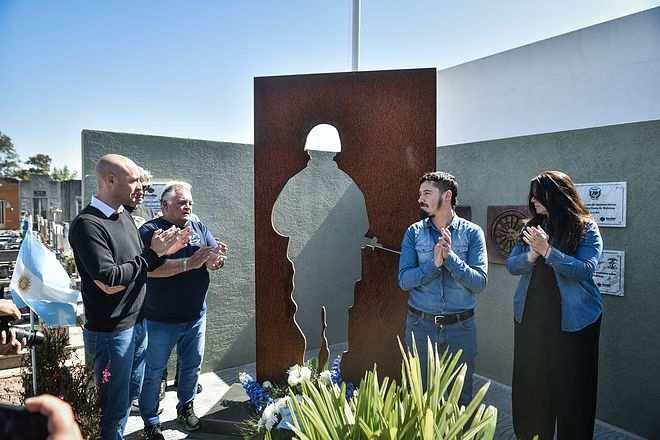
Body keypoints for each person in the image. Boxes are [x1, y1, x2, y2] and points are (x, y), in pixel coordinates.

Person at [68, 154, 190, 440]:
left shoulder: (123, 217)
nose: (141, 186)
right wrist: (152, 254)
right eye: (134, 179)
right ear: (110, 181)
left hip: (136, 324)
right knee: (112, 405)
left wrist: (166, 252)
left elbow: (139, 268)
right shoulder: (88, 224)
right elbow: (109, 281)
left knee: (127, 397)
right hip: (112, 334)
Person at [506, 170, 603, 440]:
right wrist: (532, 253)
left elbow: (585, 269)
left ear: (557, 196)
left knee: (574, 393)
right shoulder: (530, 226)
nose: (533, 200)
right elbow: (513, 266)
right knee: (532, 389)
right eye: (532, 195)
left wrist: (548, 251)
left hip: (575, 326)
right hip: (531, 322)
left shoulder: (585, 227)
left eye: (538, 195)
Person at [138, 181, 226, 439]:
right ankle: (151, 421)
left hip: (196, 315)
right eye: (182, 202)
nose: (188, 206)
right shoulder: (151, 231)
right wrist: (189, 263)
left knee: (191, 366)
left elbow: (211, 261)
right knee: (153, 372)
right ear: (165, 205)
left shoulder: (198, 227)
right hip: (159, 320)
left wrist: (216, 260)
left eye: (190, 202)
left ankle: (185, 408)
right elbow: (150, 269)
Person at [398, 171, 488, 405]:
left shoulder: (472, 233)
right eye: (420, 193)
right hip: (420, 327)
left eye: (427, 193)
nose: (421, 199)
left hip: (461, 328)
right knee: (421, 398)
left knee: (461, 400)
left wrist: (451, 259)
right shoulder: (413, 232)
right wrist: (434, 264)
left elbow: (479, 282)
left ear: (447, 196)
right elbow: (404, 281)